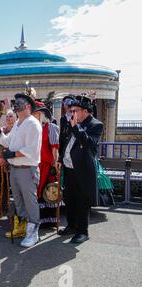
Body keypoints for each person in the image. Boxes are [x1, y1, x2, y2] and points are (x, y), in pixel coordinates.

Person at [0, 92, 42, 248]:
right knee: (19, 201)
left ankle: (33, 233)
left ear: (28, 106)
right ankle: (22, 228)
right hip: (15, 168)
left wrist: (12, 153)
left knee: (30, 202)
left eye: (20, 102)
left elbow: (31, 149)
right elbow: (7, 141)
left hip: (27, 168)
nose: (16, 105)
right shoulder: (17, 123)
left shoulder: (33, 124)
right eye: (15, 102)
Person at [57, 95, 103, 244]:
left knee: (82, 202)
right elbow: (64, 142)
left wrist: (76, 127)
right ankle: (71, 226)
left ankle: (83, 231)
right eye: (71, 110)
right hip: (69, 168)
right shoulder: (72, 122)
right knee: (69, 199)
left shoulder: (96, 125)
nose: (72, 113)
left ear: (85, 111)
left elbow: (89, 143)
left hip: (83, 170)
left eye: (75, 110)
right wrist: (59, 159)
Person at [32, 101, 61, 227]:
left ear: (42, 114)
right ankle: (35, 219)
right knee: (35, 192)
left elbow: (55, 148)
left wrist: (54, 164)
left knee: (47, 191)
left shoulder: (51, 128)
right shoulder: (32, 128)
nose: (34, 116)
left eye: (36, 113)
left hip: (47, 165)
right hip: (34, 164)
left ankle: (48, 221)